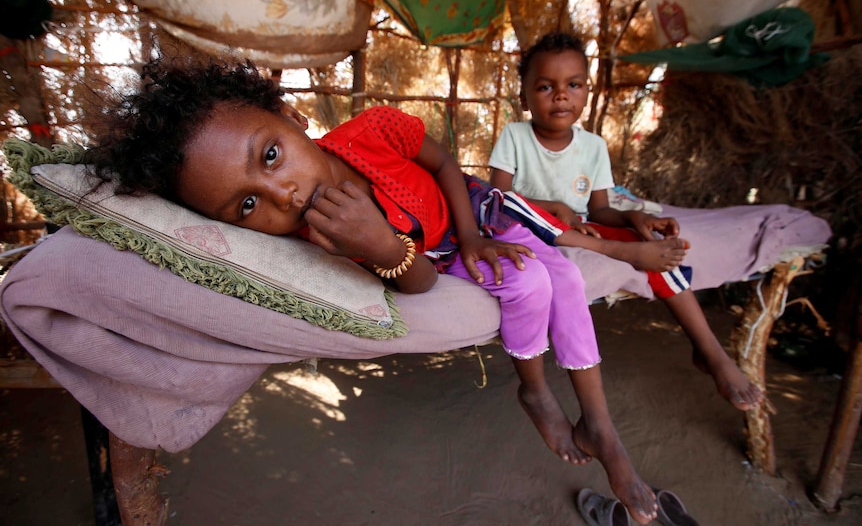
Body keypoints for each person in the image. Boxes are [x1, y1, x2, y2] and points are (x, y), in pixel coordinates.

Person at [86, 58, 658, 524]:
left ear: (287, 116)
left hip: (469, 217)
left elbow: (444, 165)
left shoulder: (374, 130)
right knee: (534, 277)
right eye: (247, 205)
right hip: (435, 254)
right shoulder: (319, 239)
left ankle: (600, 423)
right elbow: (423, 281)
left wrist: (472, 237)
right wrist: (382, 248)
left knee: (564, 269)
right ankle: (535, 391)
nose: (281, 193)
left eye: (269, 155)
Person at [489, 31, 763, 412]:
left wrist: (634, 215)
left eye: (573, 84)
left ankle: (709, 351)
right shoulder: (515, 136)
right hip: (531, 230)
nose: (561, 95)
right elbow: (495, 199)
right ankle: (708, 350)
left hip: (582, 228)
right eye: (545, 86)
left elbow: (599, 212)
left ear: (588, 90)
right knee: (609, 240)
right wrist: (549, 207)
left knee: (644, 242)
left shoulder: (594, 147)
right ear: (524, 97)